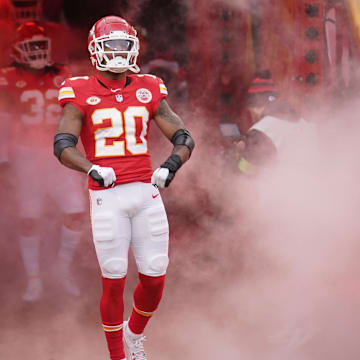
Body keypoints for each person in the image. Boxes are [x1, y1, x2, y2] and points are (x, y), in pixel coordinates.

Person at [54, 15, 194, 360]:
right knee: (114, 278)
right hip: (108, 197)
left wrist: (170, 165)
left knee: (155, 275)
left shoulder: (148, 86)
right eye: (111, 45)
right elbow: (62, 145)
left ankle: (134, 335)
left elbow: (183, 137)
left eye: (124, 45)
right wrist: (91, 168)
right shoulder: (79, 90)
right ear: (96, 49)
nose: (118, 51)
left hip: (146, 191)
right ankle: (117, 355)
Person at [0, 21, 86, 302]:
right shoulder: (8, 77)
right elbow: (3, 119)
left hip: (58, 153)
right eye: (31, 45)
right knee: (29, 218)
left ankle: (62, 268)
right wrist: (4, 160)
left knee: (75, 212)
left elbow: (76, 114)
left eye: (40, 45)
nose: (37, 51)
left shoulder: (61, 73)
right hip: (27, 155)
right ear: (18, 50)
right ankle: (34, 278)